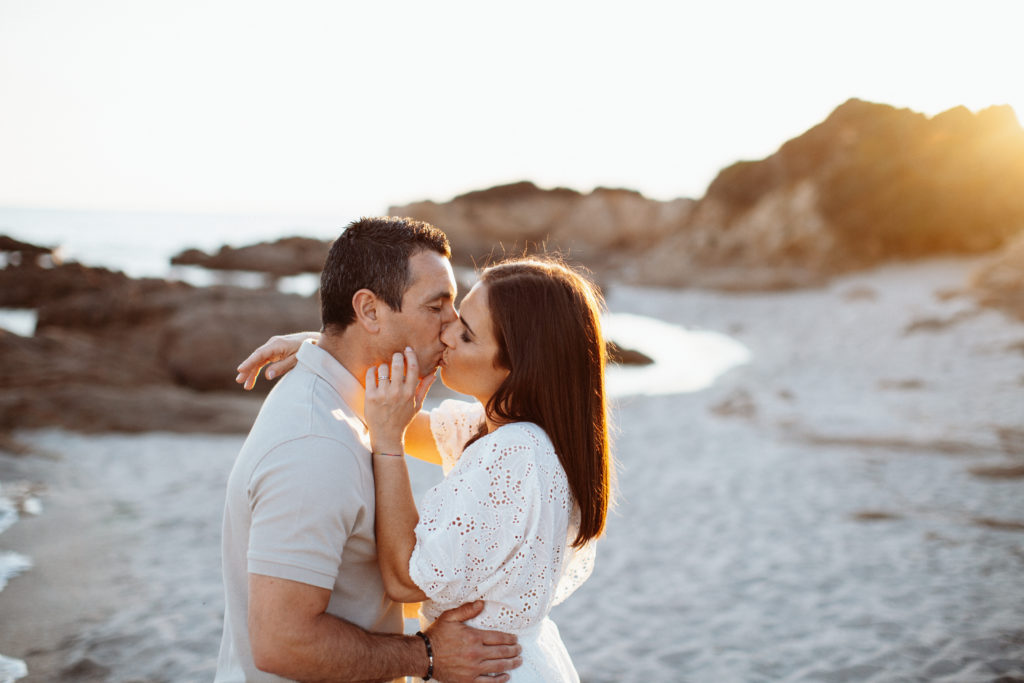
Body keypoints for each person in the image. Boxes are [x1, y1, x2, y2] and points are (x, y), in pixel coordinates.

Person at [238, 257, 613, 681]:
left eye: (467, 336)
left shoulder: (517, 453)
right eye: (456, 315)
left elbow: (405, 579)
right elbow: (390, 407)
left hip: (492, 668)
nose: (447, 334)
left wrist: (387, 446)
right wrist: (330, 346)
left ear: (517, 367)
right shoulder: (506, 433)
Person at [216, 216, 522, 682]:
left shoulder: (356, 405)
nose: (451, 326)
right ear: (370, 311)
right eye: (436, 306)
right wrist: (427, 656)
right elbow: (281, 642)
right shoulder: (314, 446)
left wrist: (319, 343)